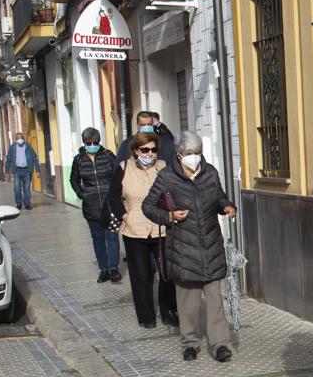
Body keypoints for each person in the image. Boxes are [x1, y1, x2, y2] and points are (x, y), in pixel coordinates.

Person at [141, 131, 235, 362]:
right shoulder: (166, 177)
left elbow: (219, 197)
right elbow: (148, 207)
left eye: (197, 153)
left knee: (215, 302)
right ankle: (190, 343)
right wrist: (170, 216)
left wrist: (226, 206)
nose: (194, 158)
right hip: (183, 250)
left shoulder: (210, 172)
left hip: (211, 246)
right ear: (179, 155)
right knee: (188, 304)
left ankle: (221, 344)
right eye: (189, 153)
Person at [107, 131, 178, 329]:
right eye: (145, 150)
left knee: (167, 274)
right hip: (135, 229)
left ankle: (168, 312)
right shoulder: (123, 168)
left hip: (161, 227)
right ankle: (146, 316)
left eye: (154, 150)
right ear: (135, 150)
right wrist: (124, 215)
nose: (149, 154)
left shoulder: (163, 167)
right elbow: (113, 196)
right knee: (141, 275)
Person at [68, 127, 122, 284]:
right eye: (89, 142)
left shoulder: (108, 155)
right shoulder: (79, 160)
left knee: (112, 237)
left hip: (110, 204)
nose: (93, 145)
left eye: (96, 142)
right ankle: (104, 269)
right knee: (98, 239)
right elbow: (73, 179)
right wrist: (81, 194)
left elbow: (118, 174)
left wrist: (115, 194)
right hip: (91, 206)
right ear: (84, 143)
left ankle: (113, 268)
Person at [4, 133, 39, 210]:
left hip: (27, 170)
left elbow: (35, 158)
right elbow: (8, 159)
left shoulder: (28, 147)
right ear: (15, 139)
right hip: (16, 170)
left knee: (26, 188)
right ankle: (19, 203)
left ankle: (27, 204)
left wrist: (37, 170)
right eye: (18, 138)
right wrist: (6, 171)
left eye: (21, 138)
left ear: (23, 139)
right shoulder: (12, 147)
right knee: (17, 188)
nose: (19, 139)